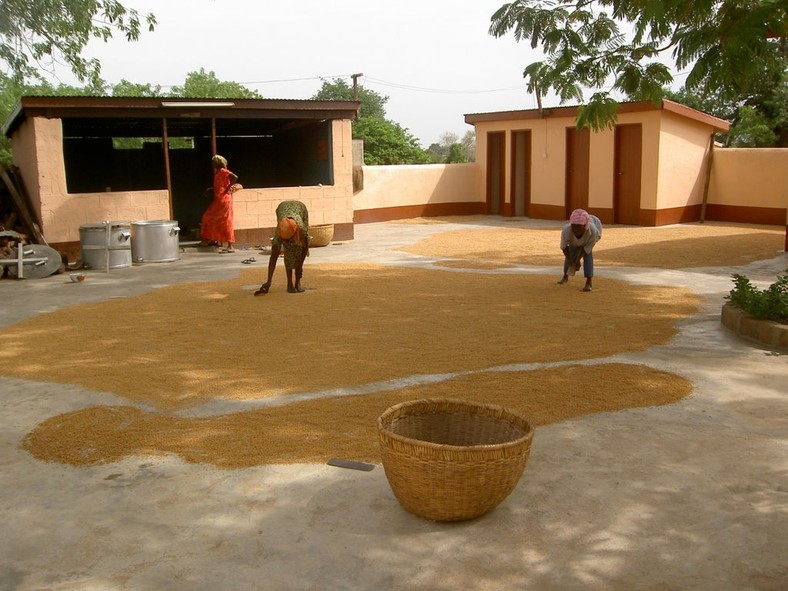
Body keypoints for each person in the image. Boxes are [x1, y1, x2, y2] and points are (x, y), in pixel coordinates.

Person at [254, 200, 310, 295]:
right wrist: (268, 281)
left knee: (297, 251)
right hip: (282, 210)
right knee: (289, 254)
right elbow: (274, 256)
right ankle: (289, 284)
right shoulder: (281, 230)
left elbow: (305, 248)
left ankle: (297, 283)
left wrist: (299, 266)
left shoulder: (301, 230)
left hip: (300, 211)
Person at [200, 155, 239, 253]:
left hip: (224, 199)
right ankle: (212, 239)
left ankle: (230, 245)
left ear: (217, 163)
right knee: (209, 217)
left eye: (213, 162)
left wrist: (228, 188)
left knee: (226, 220)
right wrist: (210, 189)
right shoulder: (218, 172)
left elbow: (235, 177)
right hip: (219, 199)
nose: (212, 164)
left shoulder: (223, 171)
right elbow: (220, 186)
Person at [558, 208, 602, 292]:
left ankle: (589, 282)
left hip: (588, 239)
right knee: (571, 252)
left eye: (579, 227)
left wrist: (578, 260)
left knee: (588, 255)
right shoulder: (566, 230)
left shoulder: (593, 231)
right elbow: (564, 247)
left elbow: (586, 249)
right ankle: (565, 276)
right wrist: (571, 261)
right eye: (573, 226)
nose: (575, 230)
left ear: (585, 225)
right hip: (573, 242)